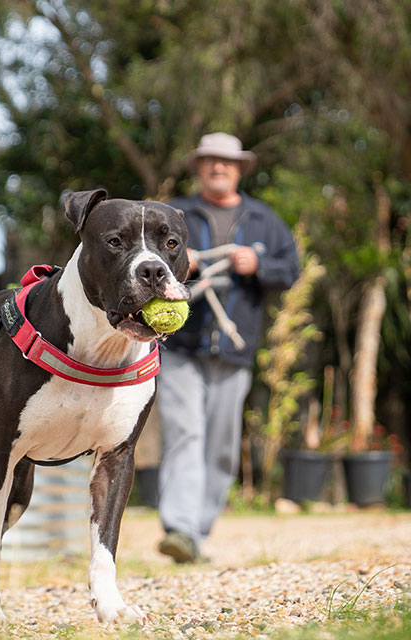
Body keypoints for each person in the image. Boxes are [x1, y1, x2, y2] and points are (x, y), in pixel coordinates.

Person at [156, 132, 300, 563]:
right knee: (186, 433)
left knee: (220, 445)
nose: (219, 168)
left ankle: (196, 535)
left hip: (234, 350)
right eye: (210, 161)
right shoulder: (175, 214)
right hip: (180, 347)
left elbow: (290, 270)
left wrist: (259, 266)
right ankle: (179, 528)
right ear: (199, 167)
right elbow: (143, 259)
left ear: (239, 169)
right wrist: (180, 261)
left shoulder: (264, 220)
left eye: (227, 162)